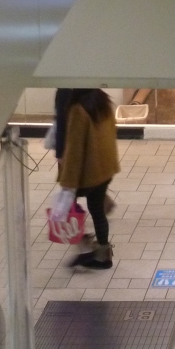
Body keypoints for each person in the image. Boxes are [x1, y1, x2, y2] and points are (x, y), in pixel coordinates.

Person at [56, 89, 121, 270]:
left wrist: (68, 182)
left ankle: (84, 245)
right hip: (105, 168)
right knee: (97, 210)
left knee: (70, 207)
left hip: (89, 172)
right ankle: (103, 256)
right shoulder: (103, 101)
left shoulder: (78, 109)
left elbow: (74, 150)